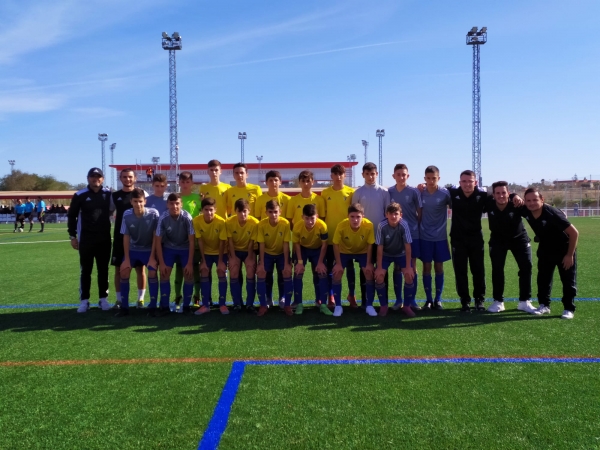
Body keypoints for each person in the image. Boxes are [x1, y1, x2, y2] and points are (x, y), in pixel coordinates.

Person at [521, 188, 579, 319]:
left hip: (564, 249)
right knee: (543, 279)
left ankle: (569, 308)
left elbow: (574, 233)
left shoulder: (553, 214)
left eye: (535, 200)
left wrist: (569, 255)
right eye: (528, 200)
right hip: (545, 248)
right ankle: (544, 305)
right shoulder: (525, 210)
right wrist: (514, 196)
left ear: (542, 200)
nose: (532, 203)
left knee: (568, 280)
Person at [485, 181, 538, 314]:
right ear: (493, 195)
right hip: (497, 241)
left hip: (519, 239)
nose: (501, 195)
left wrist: (557, 212)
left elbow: (536, 210)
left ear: (508, 193)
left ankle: (524, 301)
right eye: (498, 193)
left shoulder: (516, 204)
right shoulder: (489, 203)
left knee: (526, 267)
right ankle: (498, 301)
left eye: (504, 192)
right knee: (497, 270)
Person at [67, 168, 114, 313]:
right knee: (85, 271)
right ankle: (84, 301)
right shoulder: (80, 195)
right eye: (93, 177)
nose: (96, 179)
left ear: (103, 179)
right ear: (88, 178)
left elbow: (114, 209)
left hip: (104, 239)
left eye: (98, 177)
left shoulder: (108, 194)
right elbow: (72, 216)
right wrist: (73, 236)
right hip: (86, 239)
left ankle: (103, 299)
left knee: (103, 270)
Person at [352, 162, 390, 308]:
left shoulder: (384, 192)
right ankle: (365, 301)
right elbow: (354, 215)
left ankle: (383, 301)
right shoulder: (358, 193)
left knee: (381, 269)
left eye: (373, 173)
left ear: (377, 174)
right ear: (363, 175)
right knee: (365, 269)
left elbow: (388, 214)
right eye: (367, 174)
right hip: (364, 238)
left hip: (380, 238)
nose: (370, 176)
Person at [116, 188, 160, 316]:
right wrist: (127, 260)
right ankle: (124, 308)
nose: (138, 204)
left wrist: (152, 257)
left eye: (140, 201)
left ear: (145, 201)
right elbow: (126, 236)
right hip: (132, 250)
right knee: (123, 271)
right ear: (131, 202)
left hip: (148, 250)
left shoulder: (153, 213)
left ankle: (152, 307)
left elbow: (155, 236)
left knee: (152, 271)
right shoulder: (127, 214)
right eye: (135, 201)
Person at [287, 170, 326, 305]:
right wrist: (300, 235)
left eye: (308, 180)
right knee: (298, 271)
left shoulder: (319, 200)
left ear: (312, 182)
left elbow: (322, 221)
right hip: (300, 244)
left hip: (317, 244)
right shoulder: (293, 200)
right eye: (303, 181)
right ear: (299, 182)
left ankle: (319, 300)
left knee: (319, 272)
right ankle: (297, 301)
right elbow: (289, 221)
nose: (305, 183)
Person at [387, 164, 422, 314]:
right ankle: (398, 300)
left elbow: (419, 213)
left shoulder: (414, 191)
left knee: (412, 266)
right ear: (393, 176)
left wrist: (413, 226)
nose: (401, 177)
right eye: (398, 174)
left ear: (408, 176)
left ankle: (411, 299)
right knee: (397, 266)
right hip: (395, 235)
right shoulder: (389, 191)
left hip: (412, 234)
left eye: (404, 174)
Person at [153, 193, 195, 315]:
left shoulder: (187, 217)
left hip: (185, 248)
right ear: (167, 204)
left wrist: (189, 263)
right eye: (171, 203)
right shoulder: (163, 218)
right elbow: (158, 241)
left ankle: (186, 306)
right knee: (164, 274)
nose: (174, 206)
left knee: (188, 274)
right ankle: (165, 306)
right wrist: (161, 263)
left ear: (181, 204)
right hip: (169, 247)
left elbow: (192, 241)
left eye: (177, 203)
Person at [332, 203, 376, 317]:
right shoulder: (341, 225)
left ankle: (369, 305)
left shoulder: (369, 225)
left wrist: (369, 263)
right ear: (348, 216)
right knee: (337, 273)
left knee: (369, 272)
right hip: (344, 252)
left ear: (363, 216)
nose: (355, 220)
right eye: (352, 217)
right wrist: (338, 263)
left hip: (362, 252)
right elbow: (335, 244)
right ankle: (338, 306)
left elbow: (370, 244)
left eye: (358, 217)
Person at [322, 164, 357, 307]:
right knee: (331, 268)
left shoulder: (351, 193)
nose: (338, 177)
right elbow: (323, 216)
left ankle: (351, 295)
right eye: (335, 174)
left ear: (344, 175)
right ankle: (331, 296)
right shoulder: (325, 193)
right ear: (331, 176)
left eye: (340, 174)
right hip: (330, 238)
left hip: (346, 238)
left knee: (349, 268)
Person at [111, 169, 146, 309]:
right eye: (124, 177)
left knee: (140, 270)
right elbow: (108, 212)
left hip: (138, 238)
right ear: (120, 178)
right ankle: (119, 300)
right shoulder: (114, 196)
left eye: (130, 177)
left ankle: (140, 300)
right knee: (119, 270)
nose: (127, 179)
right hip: (120, 238)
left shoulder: (142, 194)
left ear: (135, 178)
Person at [255, 170, 291, 307]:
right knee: (266, 274)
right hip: (266, 244)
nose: (273, 183)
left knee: (283, 274)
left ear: (280, 182)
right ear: (266, 182)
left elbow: (289, 223)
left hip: (282, 244)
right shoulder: (260, 200)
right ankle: (268, 298)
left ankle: (283, 297)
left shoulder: (287, 199)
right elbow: (257, 221)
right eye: (270, 180)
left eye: (276, 180)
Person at [419, 166, 451, 310]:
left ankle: (438, 300)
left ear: (439, 178)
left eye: (434, 178)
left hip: (440, 237)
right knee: (426, 267)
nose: (431, 181)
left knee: (439, 267)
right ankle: (428, 300)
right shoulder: (420, 192)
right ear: (425, 178)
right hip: (424, 236)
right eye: (428, 178)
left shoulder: (445, 194)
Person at [374, 202, 414, 317]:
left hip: (400, 254)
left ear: (401, 215)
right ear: (386, 214)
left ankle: (406, 306)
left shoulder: (404, 225)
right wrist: (380, 267)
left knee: (409, 275)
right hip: (386, 254)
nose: (393, 216)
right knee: (379, 276)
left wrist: (408, 267)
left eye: (396, 214)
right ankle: (383, 306)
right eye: (391, 214)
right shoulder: (382, 226)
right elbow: (380, 248)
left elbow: (407, 247)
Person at [255, 200, 293, 316]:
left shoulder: (285, 223)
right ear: (266, 213)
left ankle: (286, 303)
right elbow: (261, 245)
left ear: (280, 212)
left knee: (286, 273)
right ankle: (265, 303)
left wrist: (287, 263)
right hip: (267, 253)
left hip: (282, 253)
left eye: (276, 212)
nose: (273, 215)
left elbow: (286, 244)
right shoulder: (261, 224)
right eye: (270, 212)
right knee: (262, 273)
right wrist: (261, 263)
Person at [291, 204, 331, 315]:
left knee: (322, 272)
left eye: (312, 218)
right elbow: (297, 244)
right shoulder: (297, 226)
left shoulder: (322, 225)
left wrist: (320, 262)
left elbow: (324, 245)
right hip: (302, 249)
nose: (309, 221)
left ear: (317, 216)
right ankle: (299, 303)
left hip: (318, 249)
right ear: (302, 217)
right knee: (298, 273)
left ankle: (322, 304)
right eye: (307, 218)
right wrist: (299, 262)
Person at [194, 197, 229, 315]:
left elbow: (222, 242)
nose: (209, 212)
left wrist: (220, 262)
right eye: (206, 209)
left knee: (221, 271)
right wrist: (203, 261)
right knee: (204, 271)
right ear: (202, 210)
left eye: (211, 210)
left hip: (221, 252)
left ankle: (222, 304)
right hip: (206, 253)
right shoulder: (196, 221)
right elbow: (200, 242)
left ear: (215, 210)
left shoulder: (221, 222)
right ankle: (205, 305)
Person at [173, 171, 202, 309]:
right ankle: (178, 296)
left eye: (187, 182)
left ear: (191, 183)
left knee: (195, 268)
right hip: (179, 239)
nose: (185, 184)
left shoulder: (198, 197)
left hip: (195, 239)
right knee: (179, 269)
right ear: (179, 183)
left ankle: (197, 296)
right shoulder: (176, 198)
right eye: (182, 182)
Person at [226, 198, 259, 312]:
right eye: (239, 211)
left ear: (249, 211)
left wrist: (250, 257)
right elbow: (230, 241)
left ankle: (250, 304)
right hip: (235, 250)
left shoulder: (255, 223)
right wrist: (233, 257)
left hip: (249, 251)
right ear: (235, 211)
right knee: (234, 270)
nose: (242, 214)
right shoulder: (229, 222)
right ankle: (237, 303)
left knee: (250, 270)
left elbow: (251, 243)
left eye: (245, 211)